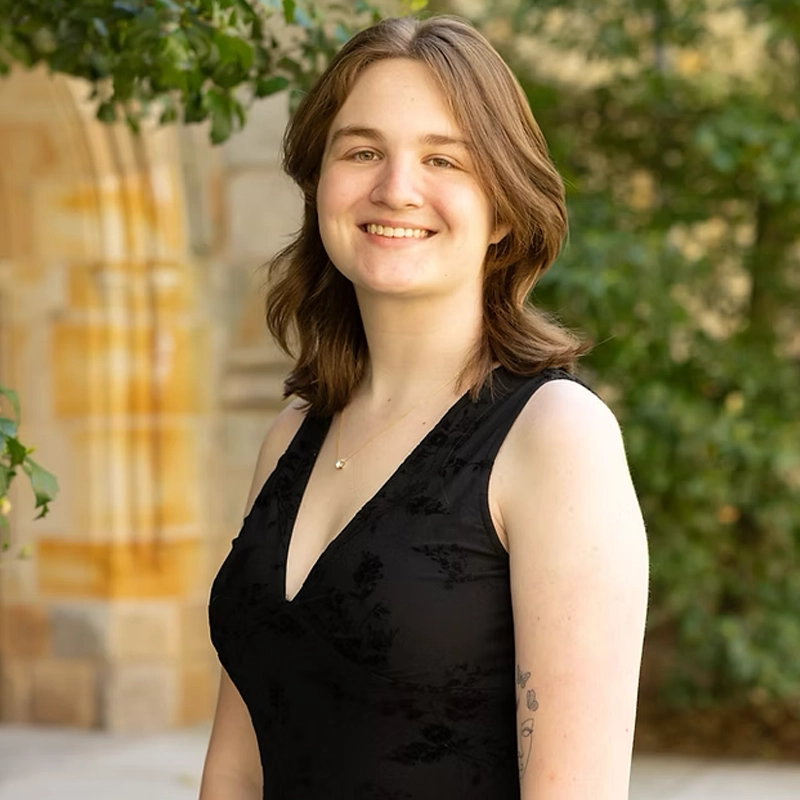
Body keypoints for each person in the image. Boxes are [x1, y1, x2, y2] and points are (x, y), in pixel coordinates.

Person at [200, 14, 648, 800]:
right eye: (362, 151)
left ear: (504, 210)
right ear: (320, 186)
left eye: (443, 159)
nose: (395, 188)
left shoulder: (556, 438)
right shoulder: (291, 439)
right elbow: (235, 770)